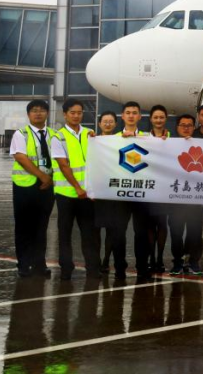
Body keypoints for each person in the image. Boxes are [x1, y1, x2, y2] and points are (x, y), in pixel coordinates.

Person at [50, 98, 101, 280]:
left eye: (79, 112)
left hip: (87, 194)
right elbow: (63, 166)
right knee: (65, 233)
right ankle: (66, 268)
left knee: (89, 233)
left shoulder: (89, 134)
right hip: (66, 195)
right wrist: (78, 188)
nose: (76, 116)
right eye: (72, 112)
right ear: (65, 114)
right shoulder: (58, 137)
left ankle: (92, 269)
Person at [10, 99, 56, 278]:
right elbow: (21, 157)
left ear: (47, 113)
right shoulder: (21, 134)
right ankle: (23, 264)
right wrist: (42, 176)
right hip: (25, 186)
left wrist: (49, 179)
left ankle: (39, 264)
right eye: (34, 110)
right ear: (28, 114)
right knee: (23, 226)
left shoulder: (54, 134)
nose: (38, 113)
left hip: (47, 186)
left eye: (42, 110)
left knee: (41, 227)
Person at [119, 101, 155, 282]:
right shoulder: (113, 138)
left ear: (140, 116)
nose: (131, 116)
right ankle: (120, 267)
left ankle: (142, 266)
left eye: (135, 113)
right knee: (119, 231)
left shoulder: (148, 138)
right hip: (120, 192)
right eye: (128, 112)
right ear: (123, 116)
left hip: (142, 192)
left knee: (141, 233)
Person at [168, 114, 203, 275]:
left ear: (194, 127)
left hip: (195, 198)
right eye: (182, 125)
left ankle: (193, 261)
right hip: (175, 198)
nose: (186, 128)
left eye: (189, 125)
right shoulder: (168, 144)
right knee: (176, 233)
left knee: (195, 232)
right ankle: (177, 261)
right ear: (177, 127)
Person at [93, 111, 123, 276]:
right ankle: (96, 260)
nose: (108, 124)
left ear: (116, 124)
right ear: (99, 124)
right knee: (95, 229)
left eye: (111, 121)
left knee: (111, 229)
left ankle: (106, 260)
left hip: (113, 190)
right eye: (104, 121)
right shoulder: (92, 140)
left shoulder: (121, 141)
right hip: (96, 191)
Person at [145, 105, 172, 274]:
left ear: (166, 119)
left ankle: (160, 258)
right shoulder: (143, 137)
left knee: (162, 223)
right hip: (148, 186)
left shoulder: (172, 139)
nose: (159, 120)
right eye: (155, 117)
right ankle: (151, 258)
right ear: (151, 119)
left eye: (161, 117)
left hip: (164, 188)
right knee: (150, 225)